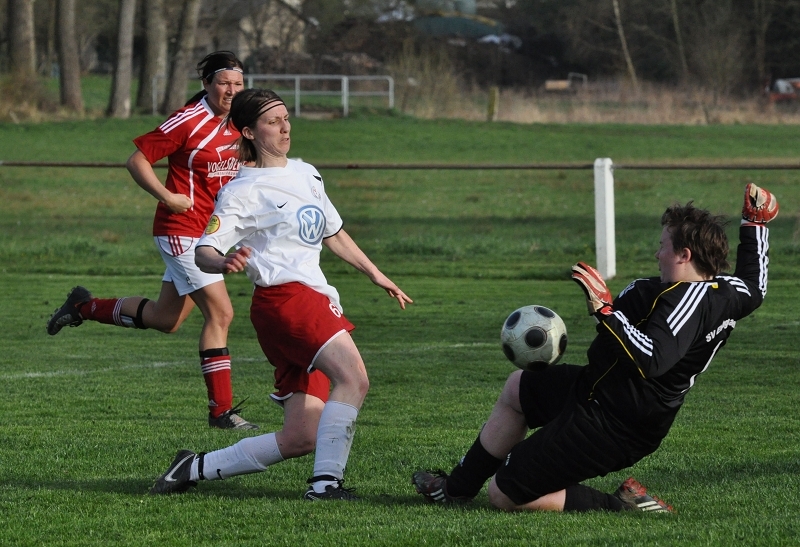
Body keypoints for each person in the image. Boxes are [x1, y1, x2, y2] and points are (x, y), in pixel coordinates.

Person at [412, 183, 779, 513]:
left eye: (662, 246)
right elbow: (755, 284)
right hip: (598, 389)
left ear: (684, 255)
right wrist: (755, 224)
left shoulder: (689, 302)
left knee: (503, 494)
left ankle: (621, 504)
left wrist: (607, 313)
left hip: (616, 424)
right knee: (518, 388)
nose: (656, 254)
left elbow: (653, 359)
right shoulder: (730, 291)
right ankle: (456, 489)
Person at [148, 88, 413, 501]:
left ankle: (192, 467)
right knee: (354, 379)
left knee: (300, 437)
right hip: (286, 302)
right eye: (273, 121)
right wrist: (223, 263)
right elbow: (204, 250)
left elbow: (333, 233)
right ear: (249, 132)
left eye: (286, 118)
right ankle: (326, 486)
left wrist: (377, 274)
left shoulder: (307, 173)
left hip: (307, 300)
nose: (285, 127)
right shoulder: (242, 190)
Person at [46, 51, 257, 430]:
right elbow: (137, 160)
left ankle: (82, 307)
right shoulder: (189, 120)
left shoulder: (240, 123)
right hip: (182, 231)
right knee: (221, 314)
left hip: (210, 234)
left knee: (166, 319)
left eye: (238, 84)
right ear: (207, 84)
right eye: (224, 83)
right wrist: (168, 196)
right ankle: (220, 413)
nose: (232, 90)